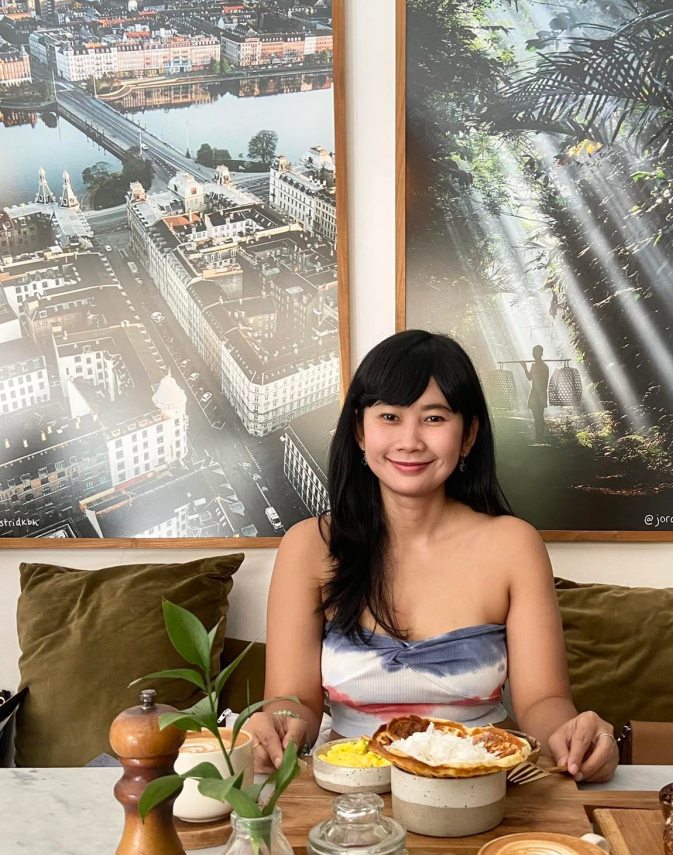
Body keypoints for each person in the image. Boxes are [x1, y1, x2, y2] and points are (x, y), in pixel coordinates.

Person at [245, 330, 617, 784]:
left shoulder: (514, 545)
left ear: (468, 435)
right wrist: (277, 725)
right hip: (352, 790)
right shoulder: (309, 546)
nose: (410, 440)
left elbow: (543, 700)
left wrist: (574, 736)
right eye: (390, 417)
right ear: (360, 431)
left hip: (483, 786)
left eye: (434, 418)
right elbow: (292, 700)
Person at [523, 344, 549, 444]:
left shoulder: (544, 367)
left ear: (541, 353)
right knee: (536, 416)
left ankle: (540, 437)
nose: (534, 354)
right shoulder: (534, 365)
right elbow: (530, 378)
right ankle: (538, 437)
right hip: (534, 394)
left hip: (540, 394)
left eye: (536, 352)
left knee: (539, 416)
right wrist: (524, 367)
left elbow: (543, 383)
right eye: (533, 352)